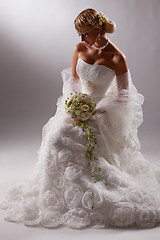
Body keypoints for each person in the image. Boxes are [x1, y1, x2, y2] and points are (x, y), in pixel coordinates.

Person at [1, 8, 160, 229]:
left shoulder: (116, 57)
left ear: (97, 29)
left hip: (101, 114)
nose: (81, 38)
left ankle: (86, 189)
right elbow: (74, 81)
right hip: (76, 108)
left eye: (84, 33)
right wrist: (74, 105)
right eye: (79, 34)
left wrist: (95, 111)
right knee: (56, 137)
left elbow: (124, 97)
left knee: (83, 148)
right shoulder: (79, 48)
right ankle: (56, 190)